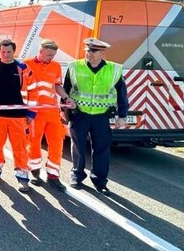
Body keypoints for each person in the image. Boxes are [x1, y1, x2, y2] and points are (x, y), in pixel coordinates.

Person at [64, 37, 128, 195]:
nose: (89, 54)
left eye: (93, 51)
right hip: (79, 114)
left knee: (101, 149)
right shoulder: (74, 67)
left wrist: (122, 116)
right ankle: (77, 176)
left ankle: (100, 181)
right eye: (87, 50)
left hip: (101, 116)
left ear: (102, 53)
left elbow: (122, 95)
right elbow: (65, 91)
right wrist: (65, 110)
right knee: (78, 146)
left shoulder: (114, 70)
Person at [0, 39, 37, 193]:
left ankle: (22, 178)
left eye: (9, 52)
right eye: (3, 52)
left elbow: (33, 91)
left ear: (14, 51)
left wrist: (31, 113)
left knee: (20, 148)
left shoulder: (23, 68)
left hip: (18, 116)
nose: (6, 55)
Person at [24, 39, 70, 191]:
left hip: (52, 111)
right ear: (41, 50)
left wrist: (66, 98)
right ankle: (34, 171)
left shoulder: (56, 66)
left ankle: (53, 175)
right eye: (49, 54)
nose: (51, 58)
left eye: (53, 55)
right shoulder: (26, 64)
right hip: (35, 112)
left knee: (57, 143)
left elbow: (57, 86)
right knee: (34, 142)